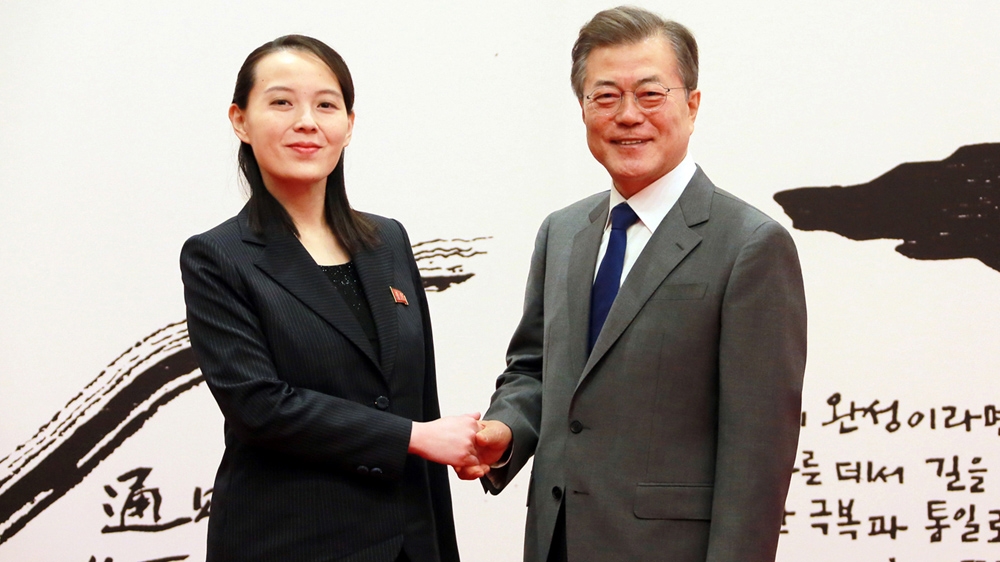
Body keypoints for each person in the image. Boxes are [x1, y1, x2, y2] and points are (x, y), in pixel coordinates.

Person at [457, 7, 807, 562]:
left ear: (692, 105)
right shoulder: (564, 231)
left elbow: (757, 456)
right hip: (556, 541)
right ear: (583, 110)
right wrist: (504, 431)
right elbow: (536, 371)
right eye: (606, 97)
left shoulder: (750, 245)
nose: (628, 116)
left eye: (650, 95)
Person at [180, 35, 479, 562]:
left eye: (325, 104)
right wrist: (412, 436)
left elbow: (418, 397)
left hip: (409, 541)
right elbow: (259, 407)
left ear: (348, 123)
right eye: (281, 102)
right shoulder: (218, 256)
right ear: (240, 120)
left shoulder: (387, 240)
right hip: (288, 540)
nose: (306, 121)